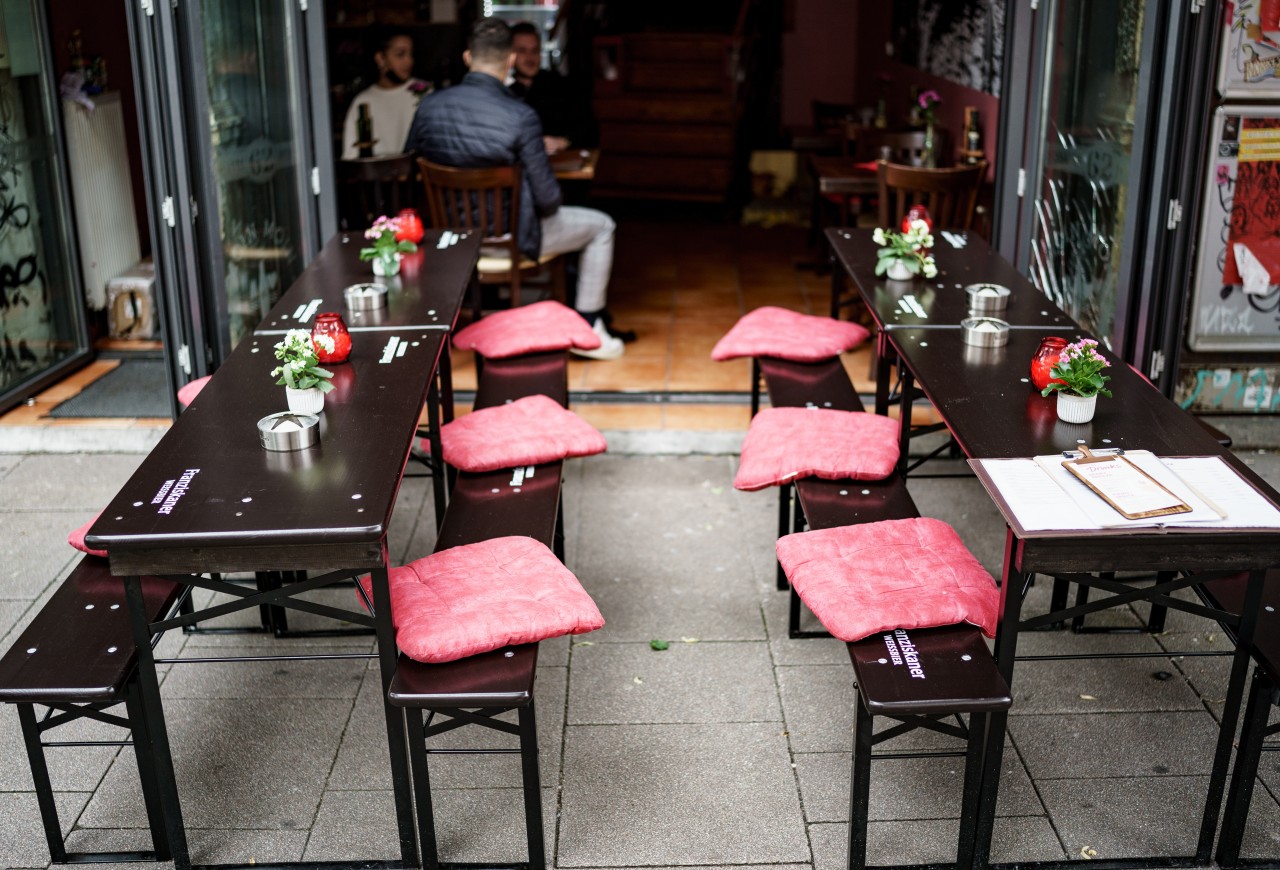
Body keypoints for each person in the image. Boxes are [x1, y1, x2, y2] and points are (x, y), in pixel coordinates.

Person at [405, 18, 626, 360]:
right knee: (602, 226)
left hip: (451, 241)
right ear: (509, 59)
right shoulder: (519, 115)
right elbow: (549, 200)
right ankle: (590, 324)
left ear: (468, 58)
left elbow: (410, 171)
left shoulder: (429, 107)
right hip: (509, 240)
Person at [507, 21, 594, 154]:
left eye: (535, 50)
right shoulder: (505, 92)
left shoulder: (563, 87)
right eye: (522, 51)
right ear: (510, 54)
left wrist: (563, 142)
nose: (530, 58)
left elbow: (589, 129)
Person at [340, 30, 429, 160]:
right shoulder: (363, 102)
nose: (409, 61)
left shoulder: (423, 91)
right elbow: (351, 156)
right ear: (380, 58)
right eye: (400, 54)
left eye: (411, 54)